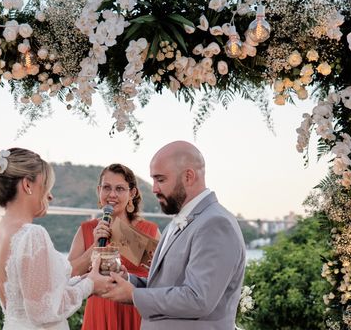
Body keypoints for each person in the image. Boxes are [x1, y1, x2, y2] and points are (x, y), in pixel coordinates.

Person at [102, 141, 246, 330]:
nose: (153, 188)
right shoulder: (179, 220)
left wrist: (134, 296)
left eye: (160, 180)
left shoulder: (215, 223)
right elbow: (164, 285)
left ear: (188, 177)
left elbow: (198, 299)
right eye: (153, 180)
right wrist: (128, 280)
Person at [0, 147, 112, 330]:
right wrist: (90, 285)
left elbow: (36, 292)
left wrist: (84, 278)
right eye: (46, 187)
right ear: (28, 185)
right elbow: (44, 312)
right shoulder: (32, 235)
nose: (50, 196)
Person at [68, 163, 161, 330]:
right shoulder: (87, 230)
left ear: (132, 193)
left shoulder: (150, 231)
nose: (112, 194)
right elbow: (69, 275)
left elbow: (164, 278)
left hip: (135, 312)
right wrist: (95, 247)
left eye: (119, 189)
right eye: (106, 187)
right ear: (99, 190)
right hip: (99, 313)